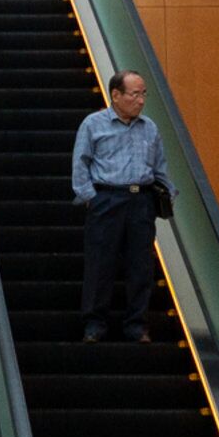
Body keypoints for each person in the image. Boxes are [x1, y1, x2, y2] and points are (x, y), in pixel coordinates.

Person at [70, 68, 167, 343]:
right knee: (101, 263)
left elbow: (160, 166)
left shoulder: (149, 127)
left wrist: (165, 193)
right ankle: (94, 324)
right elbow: (81, 162)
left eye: (143, 94)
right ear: (116, 94)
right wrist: (91, 197)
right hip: (107, 199)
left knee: (141, 266)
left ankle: (136, 325)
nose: (141, 100)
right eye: (135, 94)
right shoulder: (93, 124)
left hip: (141, 201)